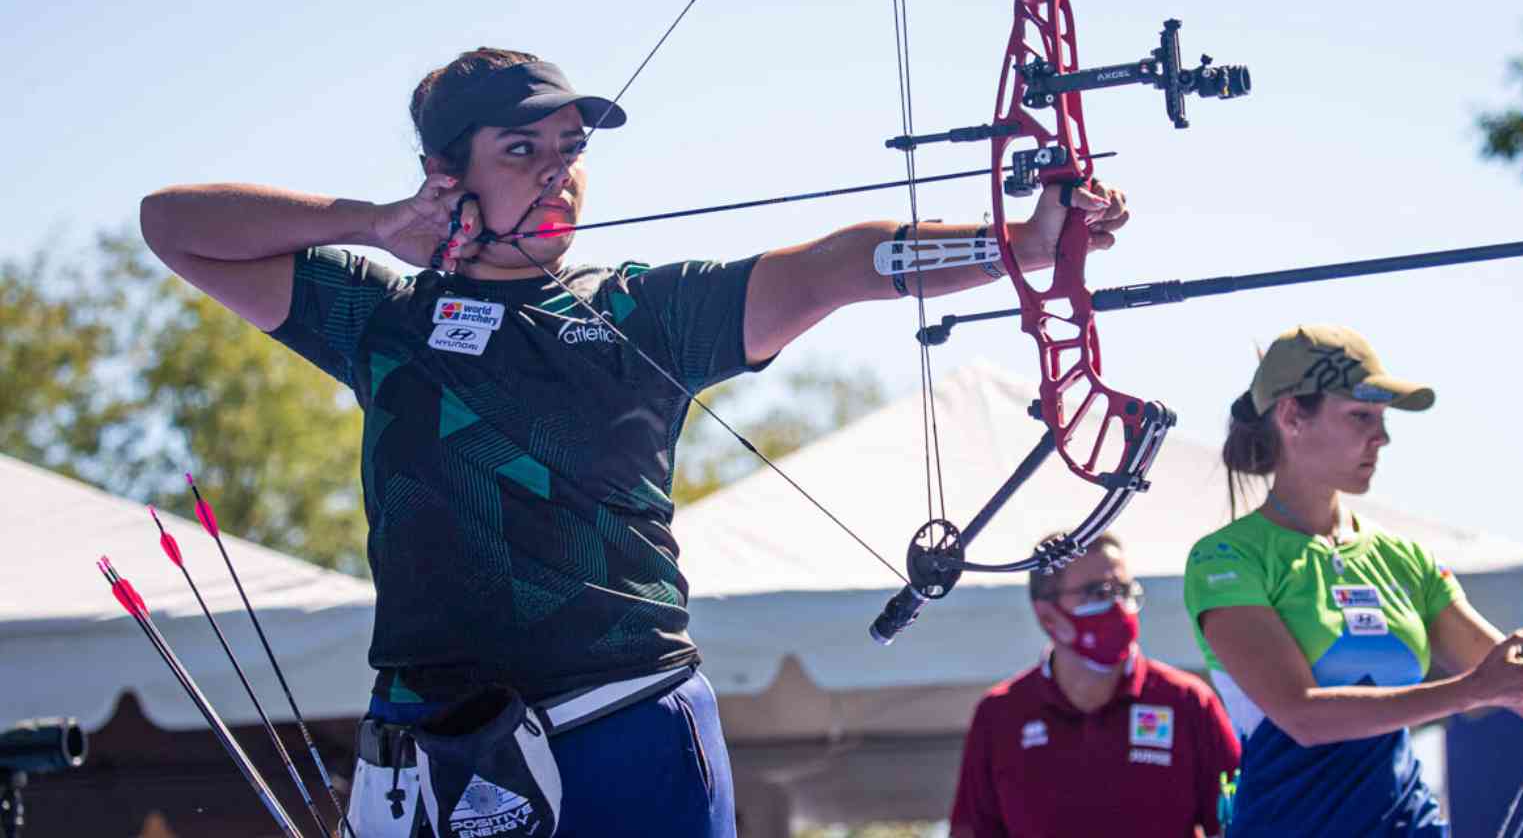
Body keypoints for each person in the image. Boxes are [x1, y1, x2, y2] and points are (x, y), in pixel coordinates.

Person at [138, 47, 1132, 838]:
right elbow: (171, 223)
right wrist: (378, 224)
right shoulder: (382, 317)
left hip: (625, 720)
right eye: (522, 150)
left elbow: (837, 267)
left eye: (570, 148)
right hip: (432, 737)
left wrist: (1023, 245)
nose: (558, 173)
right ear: (447, 176)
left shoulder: (642, 312)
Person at [1182, 325, 1523, 836]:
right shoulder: (1227, 557)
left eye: (1383, 419)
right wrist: (1471, 691)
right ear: (1292, 416)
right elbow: (1303, 717)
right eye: (1361, 416)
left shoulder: (1404, 558)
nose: (1382, 437)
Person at [950, 532, 1241, 838]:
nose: (1117, 605)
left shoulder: (1187, 701)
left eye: (1123, 590)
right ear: (1047, 616)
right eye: (1097, 592)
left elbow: (1243, 820)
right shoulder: (1000, 714)